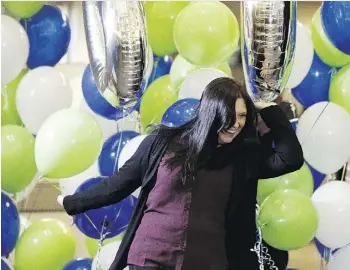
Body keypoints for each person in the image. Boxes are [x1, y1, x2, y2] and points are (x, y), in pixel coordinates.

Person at [58, 77, 304, 270]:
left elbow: (290, 158)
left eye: (242, 116)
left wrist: (270, 110)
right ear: (211, 113)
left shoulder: (242, 157)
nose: (238, 123)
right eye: (231, 115)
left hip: (207, 261)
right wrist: (73, 202)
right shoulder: (163, 143)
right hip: (151, 257)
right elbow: (119, 183)